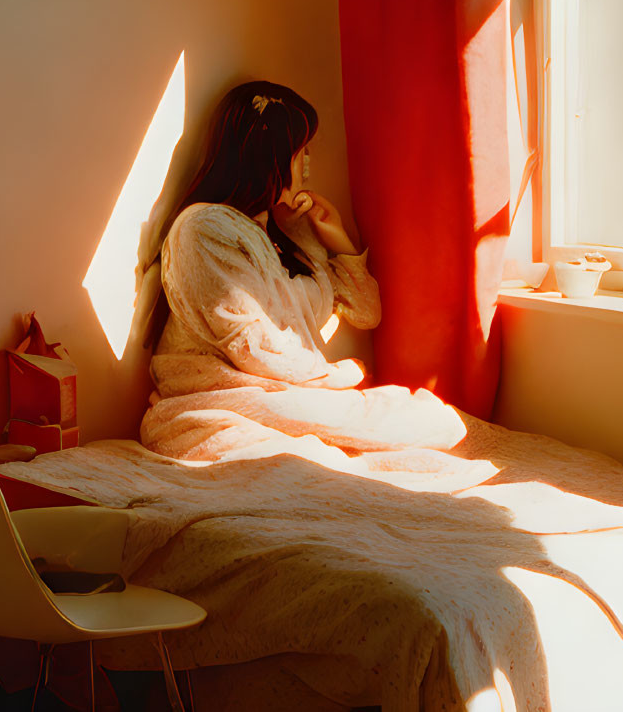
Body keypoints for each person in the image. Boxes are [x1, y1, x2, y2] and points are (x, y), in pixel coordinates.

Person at [141, 81, 485, 483]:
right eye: (301, 152)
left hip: (286, 395)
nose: (307, 166)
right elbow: (255, 348)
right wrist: (336, 378)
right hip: (222, 400)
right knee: (418, 422)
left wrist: (333, 237)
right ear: (266, 157)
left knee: (434, 421)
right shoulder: (204, 227)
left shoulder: (282, 230)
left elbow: (365, 312)